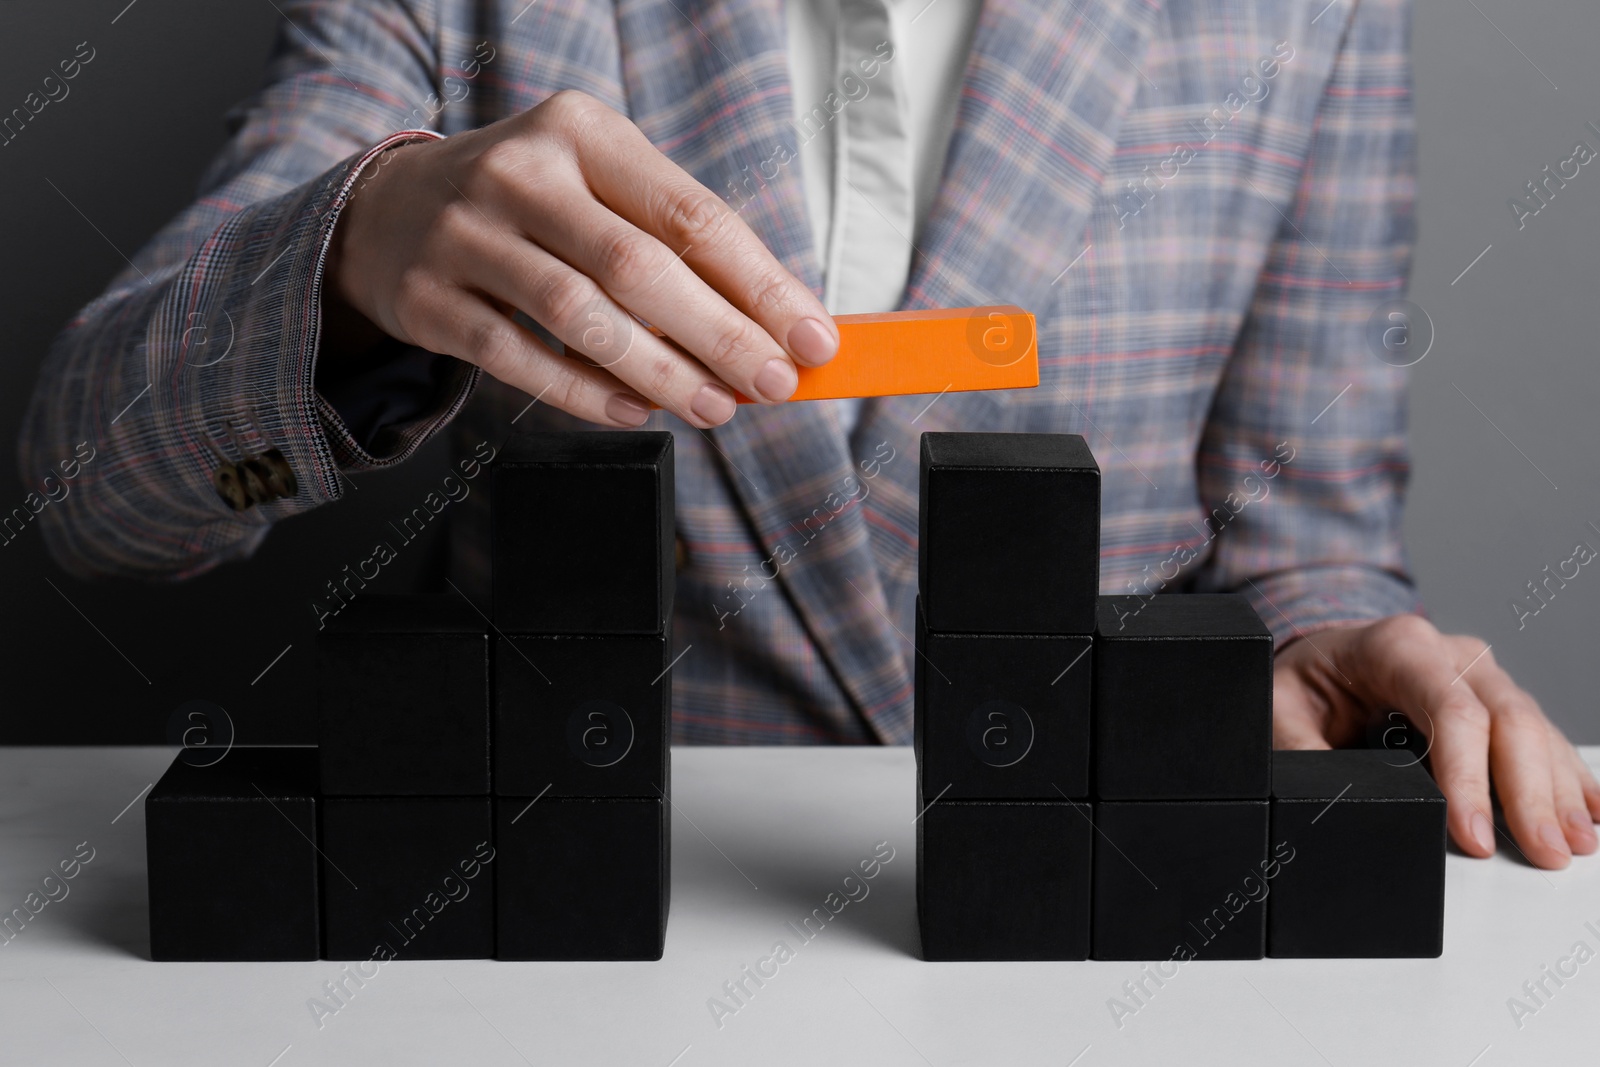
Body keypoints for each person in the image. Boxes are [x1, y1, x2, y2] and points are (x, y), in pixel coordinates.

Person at [17, 0, 1598, 870]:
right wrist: (354, 252)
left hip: (1086, 906)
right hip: (570, 912)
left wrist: (1330, 639)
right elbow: (93, 501)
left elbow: (1300, 535)